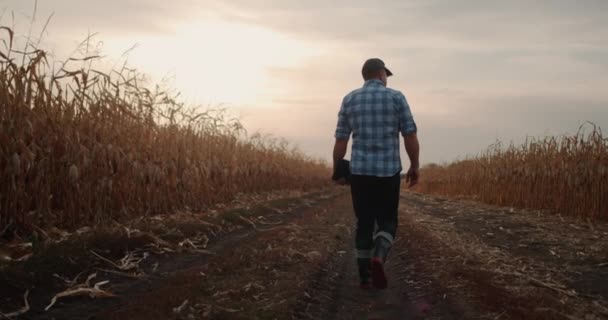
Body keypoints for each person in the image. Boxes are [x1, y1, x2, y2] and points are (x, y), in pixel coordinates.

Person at [332, 58, 420, 289]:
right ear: (381, 74)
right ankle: (379, 256)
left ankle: (364, 276)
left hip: (360, 172)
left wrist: (337, 169)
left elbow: (341, 139)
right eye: (386, 75)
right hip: (388, 172)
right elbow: (409, 135)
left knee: (364, 222)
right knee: (388, 221)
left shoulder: (349, 99)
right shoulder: (396, 97)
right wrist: (415, 165)